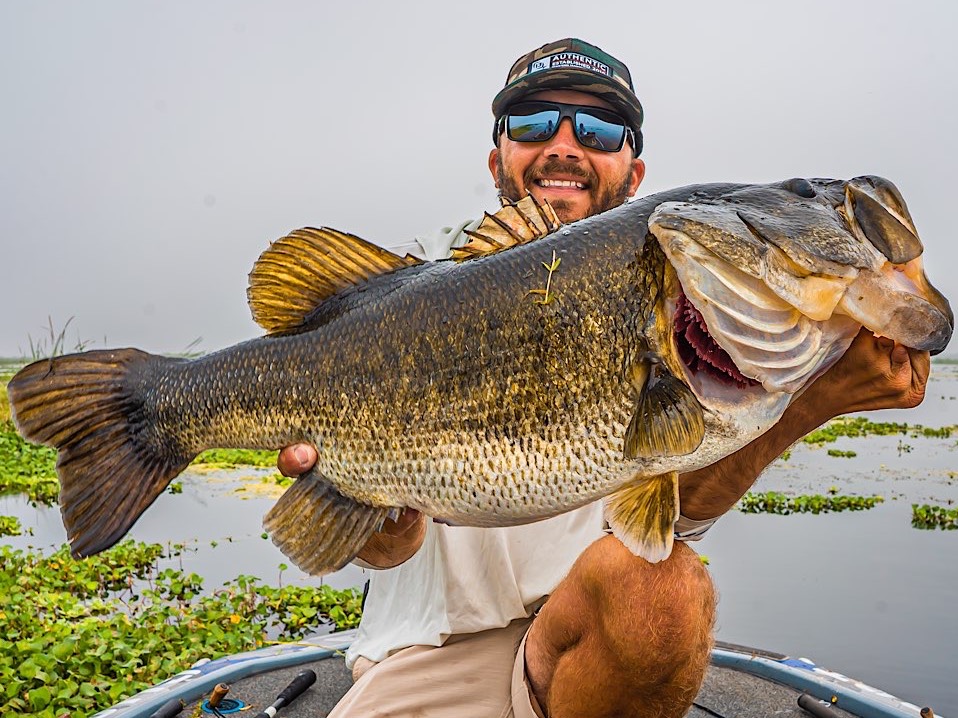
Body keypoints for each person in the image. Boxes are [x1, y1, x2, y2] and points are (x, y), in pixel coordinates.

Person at [278, 39, 931, 718]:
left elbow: (670, 519)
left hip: (593, 655)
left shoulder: (686, 304)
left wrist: (807, 400)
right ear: (497, 157)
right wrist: (378, 528)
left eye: (597, 128)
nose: (564, 143)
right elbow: (385, 547)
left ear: (634, 167)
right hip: (426, 661)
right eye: (534, 123)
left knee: (656, 589)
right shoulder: (407, 311)